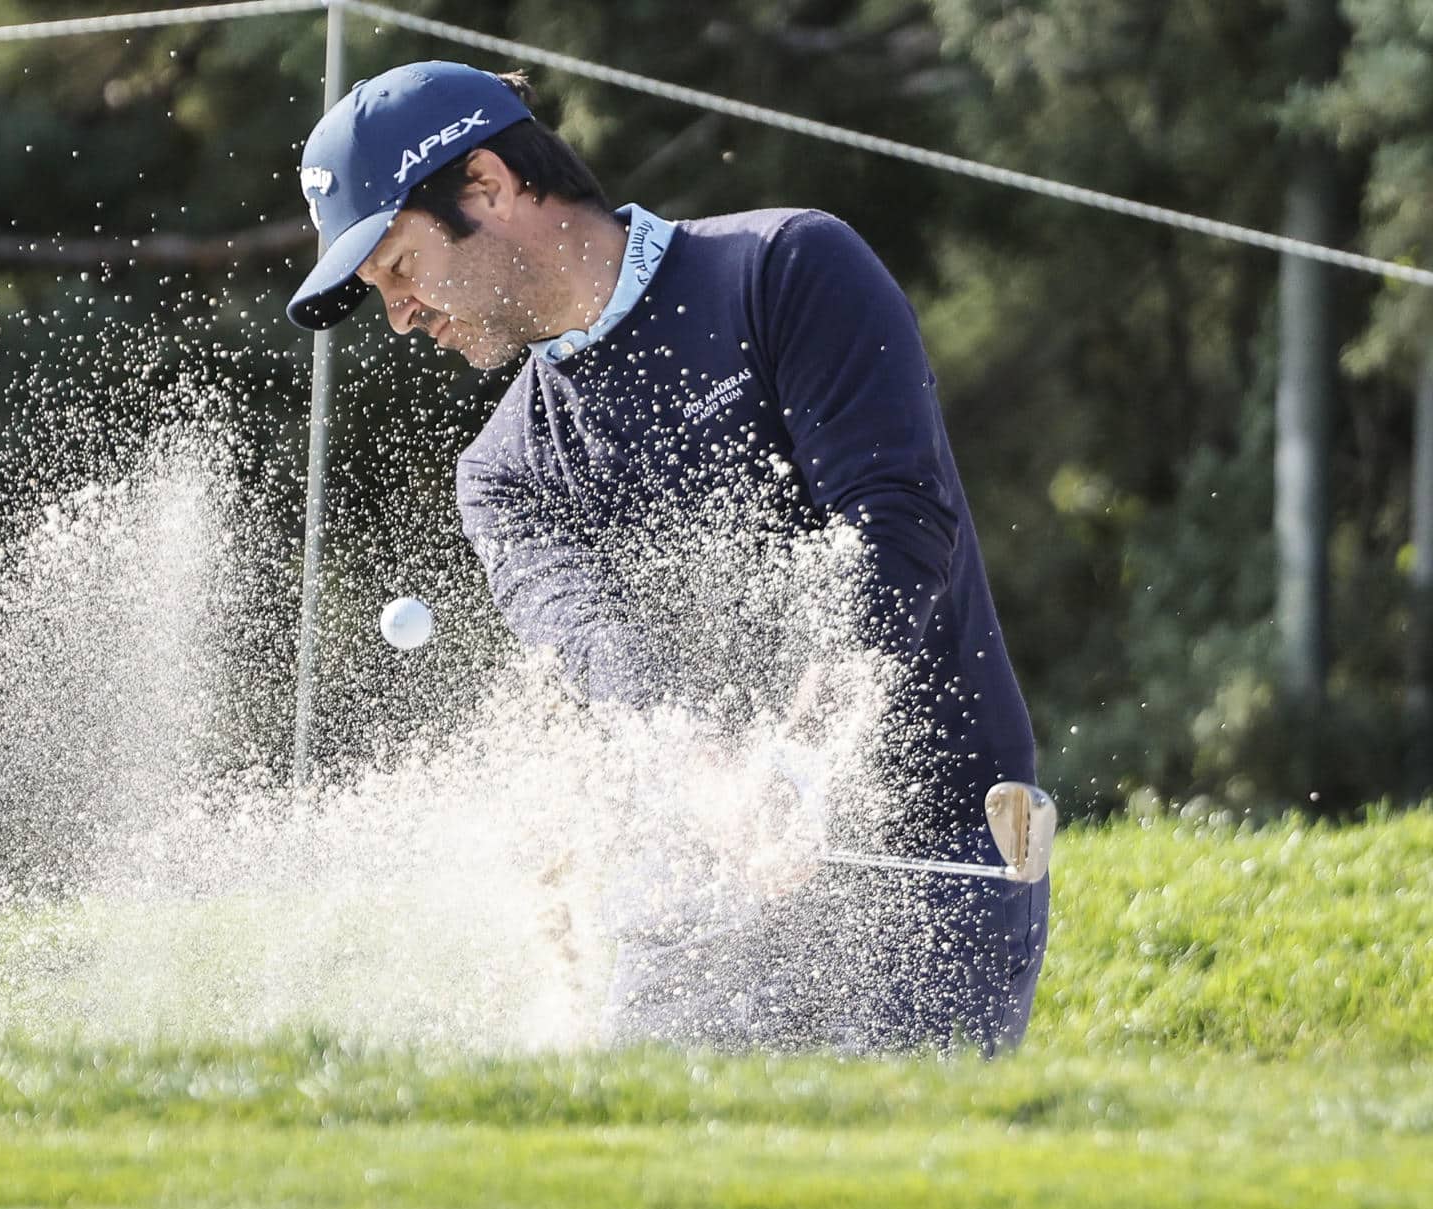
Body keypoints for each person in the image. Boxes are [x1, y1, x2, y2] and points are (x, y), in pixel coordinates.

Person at [285, 60, 1048, 1053]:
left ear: (486, 186)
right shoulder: (504, 473)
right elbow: (605, 657)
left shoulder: (785, 270)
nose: (400, 314)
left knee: (891, 1198)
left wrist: (797, 759)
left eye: (397, 267)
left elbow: (899, 528)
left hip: (939, 850)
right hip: (699, 886)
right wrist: (718, 782)